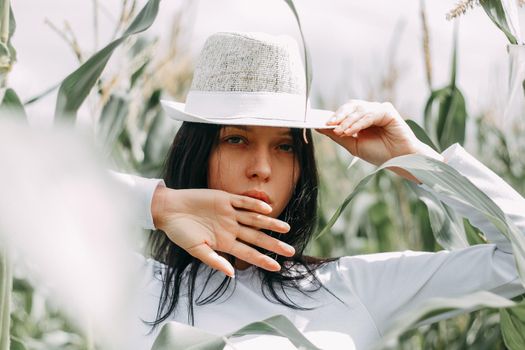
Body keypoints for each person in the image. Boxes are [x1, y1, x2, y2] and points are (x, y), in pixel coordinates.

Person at [121, 32, 525, 349]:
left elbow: (519, 260)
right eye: (237, 140)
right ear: (198, 152)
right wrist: (160, 204)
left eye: (284, 147)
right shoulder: (129, 284)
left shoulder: (350, 287)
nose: (262, 169)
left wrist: (414, 158)